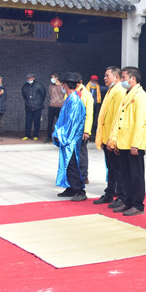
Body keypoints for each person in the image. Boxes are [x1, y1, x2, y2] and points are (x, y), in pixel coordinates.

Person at [107, 67, 146, 216]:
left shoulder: (141, 96)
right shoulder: (127, 94)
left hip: (133, 144)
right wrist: (115, 140)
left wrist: (135, 144)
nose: (122, 80)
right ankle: (127, 201)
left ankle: (137, 204)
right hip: (123, 142)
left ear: (133, 79)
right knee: (125, 175)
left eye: (124, 78)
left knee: (136, 176)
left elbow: (140, 122)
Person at [93, 66, 127, 206]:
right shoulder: (111, 90)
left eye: (107, 75)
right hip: (107, 136)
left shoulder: (119, 91)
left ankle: (121, 195)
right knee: (111, 168)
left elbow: (117, 118)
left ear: (116, 77)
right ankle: (109, 192)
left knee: (117, 169)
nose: (104, 78)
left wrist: (113, 139)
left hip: (113, 139)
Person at [53, 72, 88, 202]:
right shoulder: (69, 99)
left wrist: (60, 135)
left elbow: (72, 123)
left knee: (72, 163)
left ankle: (79, 190)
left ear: (65, 85)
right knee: (67, 163)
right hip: (67, 137)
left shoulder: (75, 101)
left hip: (71, 138)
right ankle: (71, 187)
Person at [21, 73, 46, 140]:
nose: (28, 79)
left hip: (37, 107)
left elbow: (43, 95)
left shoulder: (39, 86)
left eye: (30, 78)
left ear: (33, 78)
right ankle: (27, 135)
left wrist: (39, 102)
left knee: (37, 121)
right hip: (28, 106)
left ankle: (36, 135)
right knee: (28, 121)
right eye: (28, 78)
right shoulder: (25, 86)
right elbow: (24, 96)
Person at [45, 72, 65, 143]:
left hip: (60, 107)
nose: (51, 79)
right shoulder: (51, 86)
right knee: (50, 123)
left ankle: (60, 137)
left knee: (60, 123)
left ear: (57, 78)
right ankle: (48, 137)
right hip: (52, 106)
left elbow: (64, 95)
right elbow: (51, 94)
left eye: (52, 77)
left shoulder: (62, 86)